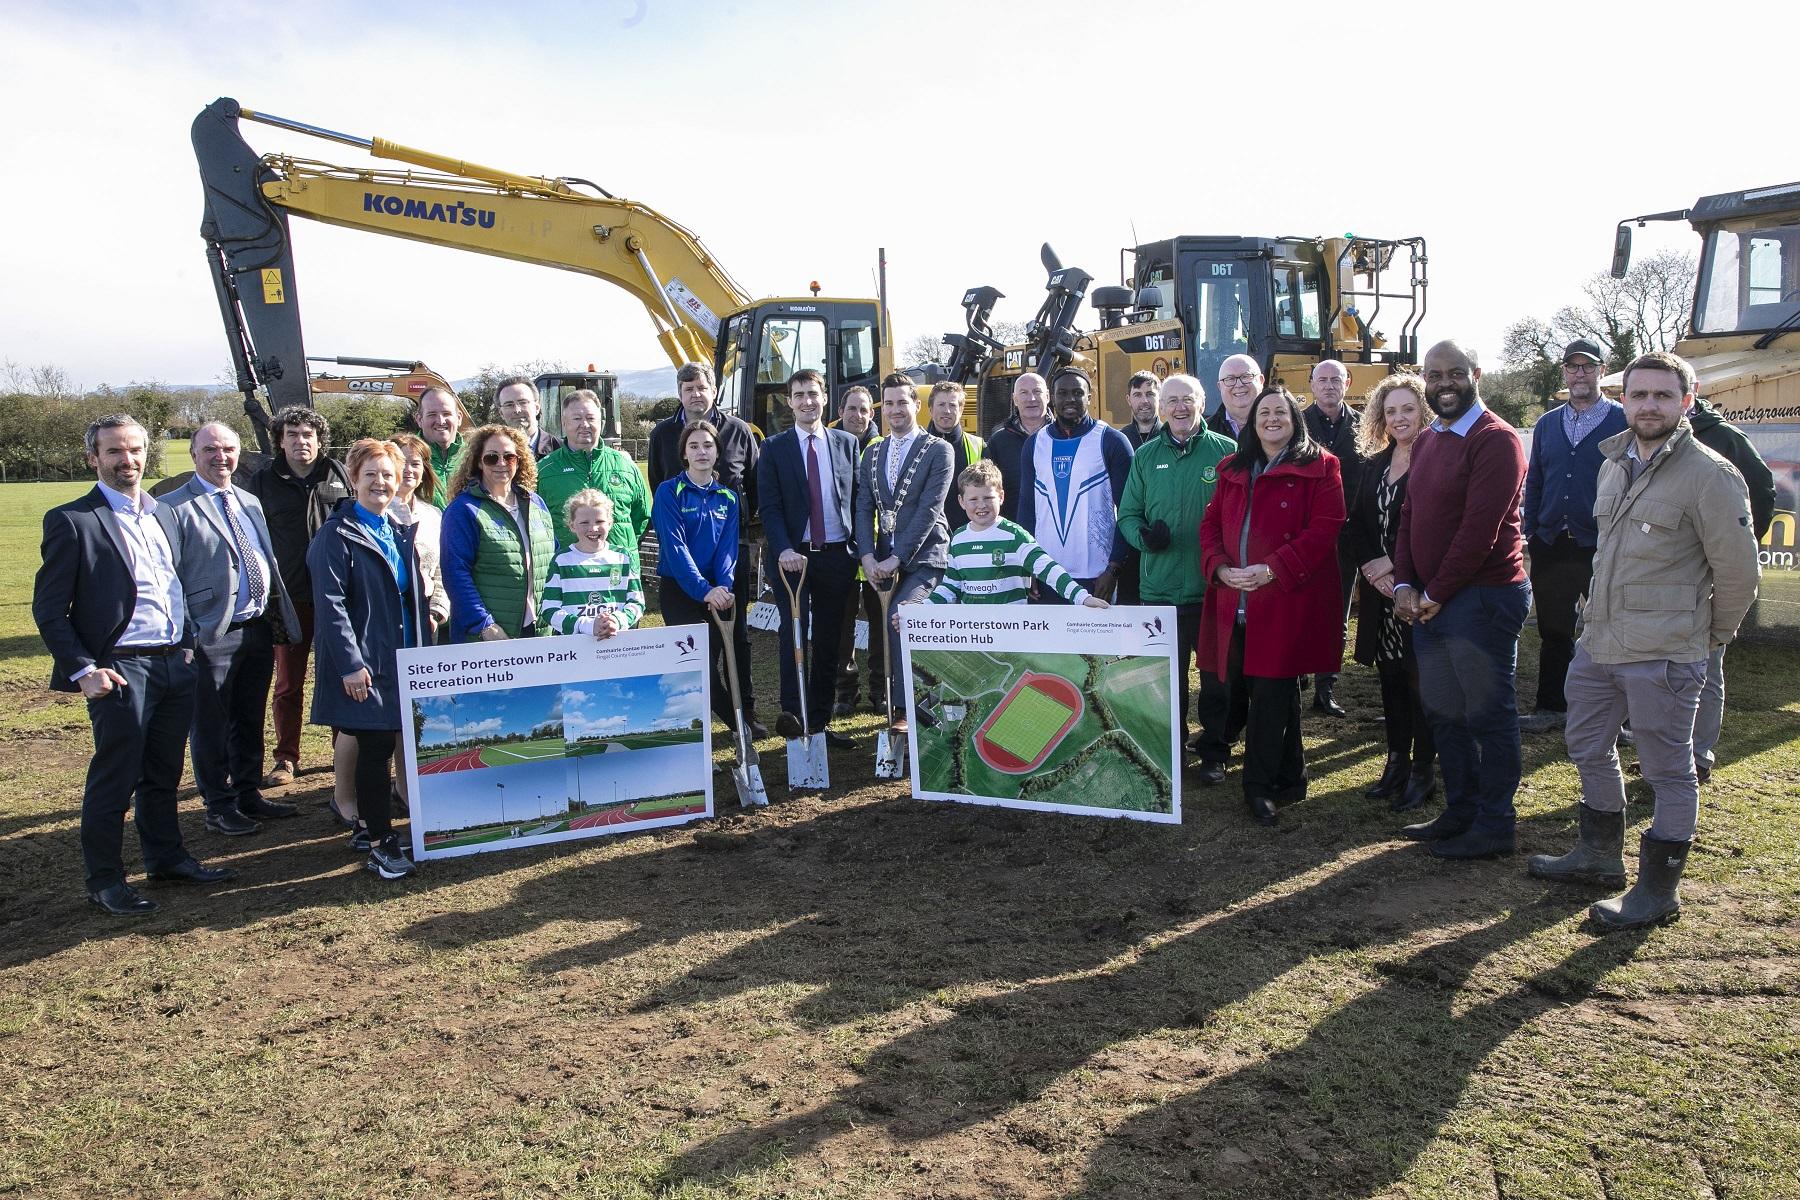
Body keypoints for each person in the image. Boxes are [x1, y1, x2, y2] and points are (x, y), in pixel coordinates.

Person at [1528, 352, 1760, 931]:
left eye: (1662, 395)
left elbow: (1739, 575)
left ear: (1687, 401)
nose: (1649, 405)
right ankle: (1599, 854)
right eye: (1640, 395)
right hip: (1600, 643)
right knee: (1584, 745)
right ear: (1624, 400)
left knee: (1668, 772)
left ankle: (1657, 891)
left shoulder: (1710, 474)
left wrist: (1707, 639)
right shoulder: (1614, 464)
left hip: (1666, 652)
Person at [33, 415, 236, 915]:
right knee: (115, 776)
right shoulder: (72, 520)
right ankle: (105, 880)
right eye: (114, 452)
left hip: (174, 662)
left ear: (148, 454)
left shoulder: (161, 513)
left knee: (163, 773)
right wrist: (84, 669)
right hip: (120, 670)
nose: (127, 461)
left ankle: (166, 858)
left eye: (135, 450)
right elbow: (49, 608)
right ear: (93, 458)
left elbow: (171, 584)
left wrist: (187, 646)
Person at [1392, 340, 1530, 859]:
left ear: (1474, 373)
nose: (1443, 384)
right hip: (1431, 601)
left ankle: (1495, 824)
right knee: (1445, 712)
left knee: (1488, 714)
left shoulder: (1496, 440)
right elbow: (1409, 516)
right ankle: (1461, 811)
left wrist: (1433, 593)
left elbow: (1480, 533)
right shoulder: (1430, 438)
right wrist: (1406, 584)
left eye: (1453, 374)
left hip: (1482, 599)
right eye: (1434, 375)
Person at [1199, 386, 1347, 825]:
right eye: (1264, 412)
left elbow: (1325, 529)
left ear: (1294, 418)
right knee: (1264, 690)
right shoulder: (1231, 468)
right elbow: (1209, 526)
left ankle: (1258, 787)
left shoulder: (1322, 467)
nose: (1271, 419)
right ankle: (1291, 776)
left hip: (1283, 598)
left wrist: (1273, 569)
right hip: (1235, 600)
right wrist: (1220, 568)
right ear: (1253, 421)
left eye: (1280, 412)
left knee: (1271, 693)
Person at [167, 422, 301, 837]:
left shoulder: (247, 500)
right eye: (210, 449)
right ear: (193, 454)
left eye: (228, 448)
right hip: (210, 633)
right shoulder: (172, 507)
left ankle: (247, 793)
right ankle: (217, 803)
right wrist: (187, 632)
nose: (220, 456)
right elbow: (169, 576)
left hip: (256, 625)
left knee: (248, 715)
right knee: (210, 722)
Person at [308, 438, 426, 879]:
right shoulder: (336, 535)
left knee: (391, 747)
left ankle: (368, 827)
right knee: (375, 751)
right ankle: (381, 844)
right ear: (353, 479)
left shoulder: (394, 530)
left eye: (389, 475)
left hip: (402, 659)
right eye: (371, 474)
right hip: (367, 664)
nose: (381, 482)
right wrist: (351, 664)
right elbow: (330, 604)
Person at [1115, 373, 1236, 772]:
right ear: (1162, 407)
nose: (1180, 407)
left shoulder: (1227, 453)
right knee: (1168, 681)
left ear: (1202, 403)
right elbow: (1128, 515)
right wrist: (1144, 538)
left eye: (1188, 399)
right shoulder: (1146, 457)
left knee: (1216, 679)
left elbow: (1240, 518)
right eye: (1172, 400)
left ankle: (1215, 752)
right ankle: (1172, 749)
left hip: (1212, 587)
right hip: (1160, 590)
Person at [1518, 338, 1628, 734]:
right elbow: (1537, 479)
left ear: (1602, 369)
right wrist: (1532, 529)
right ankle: (1552, 707)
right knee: (1554, 629)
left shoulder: (1623, 420)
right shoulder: (1548, 423)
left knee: (1613, 631)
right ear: (1564, 371)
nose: (1580, 373)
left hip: (1602, 543)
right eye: (1573, 366)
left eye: (1588, 366)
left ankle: (1619, 720)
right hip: (1551, 543)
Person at [244, 404, 352, 787]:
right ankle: (286, 758)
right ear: (280, 440)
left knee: (341, 676)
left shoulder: (338, 476)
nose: (301, 441)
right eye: (292, 435)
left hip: (335, 595)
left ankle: (343, 753)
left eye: (308, 435)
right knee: (289, 682)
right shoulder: (262, 481)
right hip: (286, 598)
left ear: (319, 440)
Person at [648, 361, 760, 727]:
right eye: (693, 446)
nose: (701, 452)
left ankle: (746, 714)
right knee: (693, 660)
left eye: (707, 446)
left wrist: (722, 585)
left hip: (722, 582)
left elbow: (731, 539)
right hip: (682, 583)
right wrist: (702, 589)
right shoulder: (669, 489)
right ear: (684, 452)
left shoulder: (728, 492)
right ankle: (729, 721)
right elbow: (675, 545)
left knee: (730, 646)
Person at [1346, 375, 1436, 811]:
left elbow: (1433, 530)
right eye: (1391, 411)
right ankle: (1396, 761)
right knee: (1391, 679)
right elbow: (1357, 524)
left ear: (1423, 411)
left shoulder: (1435, 460)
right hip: (1379, 594)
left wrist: (1398, 571)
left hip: (1419, 592)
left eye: (1408, 409)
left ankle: (1424, 770)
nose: (1399, 418)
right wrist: (1371, 565)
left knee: (1421, 683)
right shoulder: (1374, 465)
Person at [757, 369, 859, 746]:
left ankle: (818, 723)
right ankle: (793, 717)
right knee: (794, 634)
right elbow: (769, 505)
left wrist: (859, 550)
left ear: (824, 397)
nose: (806, 401)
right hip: (792, 559)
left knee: (831, 641)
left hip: (836, 556)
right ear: (790, 401)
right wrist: (784, 548)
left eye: (812, 394)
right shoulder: (774, 447)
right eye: (798, 395)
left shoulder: (848, 443)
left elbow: (856, 500)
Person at [855, 372, 953, 731]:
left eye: (903, 402)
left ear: (917, 405)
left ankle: (906, 710)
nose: (896, 410)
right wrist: (866, 555)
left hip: (925, 555)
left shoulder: (939, 449)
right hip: (882, 557)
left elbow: (930, 508)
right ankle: (907, 702)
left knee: (902, 618)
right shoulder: (873, 451)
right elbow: (863, 505)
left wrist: (897, 557)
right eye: (890, 403)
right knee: (882, 628)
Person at [1687, 393, 1776, 782]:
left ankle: (1699, 755)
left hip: (1709, 572)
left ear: (1689, 393)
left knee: (1707, 664)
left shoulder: (1725, 438)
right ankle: (1671, 752)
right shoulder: (1644, 434)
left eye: (1665, 392)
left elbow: (1763, 489)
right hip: (1665, 575)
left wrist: (1738, 544)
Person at [1016, 368, 1134, 600]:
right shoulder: (1034, 444)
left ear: (1089, 397)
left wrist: (1114, 568)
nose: (1070, 399)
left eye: (1077, 393)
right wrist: (1027, 565)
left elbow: (1129, 512)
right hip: (1047, 573)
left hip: (1096, 575)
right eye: (1062, 393)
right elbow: (1027, 509)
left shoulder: (1112, 441)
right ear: (1052, 397)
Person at [928, 460, 1108, 608]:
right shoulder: (958, 539)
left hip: (1012, 631)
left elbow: (1048, 569)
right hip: (975, 634)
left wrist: (1081, 597)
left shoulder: (1015, 536)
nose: (981, 505)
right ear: (961, 501)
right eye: (973, 499)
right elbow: (951, 586)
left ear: (1001, 497)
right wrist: (921, 610)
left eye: (988, 498)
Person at [441, 424, 555, 642]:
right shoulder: (464, 510)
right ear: (478, 462)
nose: (501, 463)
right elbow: (455, 574)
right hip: (488, 636)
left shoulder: (535, 503)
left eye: (509, 457)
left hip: (538, 630)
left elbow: (552, 558)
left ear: (519, 460)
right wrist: (484, 624)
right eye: (491, 458)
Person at [1301, 360, 1365, 718]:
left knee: (1336, 616)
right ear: (1311, 384)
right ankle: (1296, 677)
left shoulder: (1364, 425)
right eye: (1321, 380)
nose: (1328, 386)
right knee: (1300, 610)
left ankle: (1326, 687)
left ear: (1347, 383)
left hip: (1347, 537)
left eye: (1335, 380)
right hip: (1303, 536)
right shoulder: (1298, 424)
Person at [535, 388, 651, 564]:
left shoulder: (625, 466)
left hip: (619, 573)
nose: (584, 424)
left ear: (601, 422)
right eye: (576, 419)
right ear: (564, 423)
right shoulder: (544, 471)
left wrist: (622, 546)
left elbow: (641, 517)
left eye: (590, 418)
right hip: (567, 574)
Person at [830, 385, 883, 716]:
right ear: (840, 411)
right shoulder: (827, 445)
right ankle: (845, 692)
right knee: (841, 625)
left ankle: (881, 689)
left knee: (880, 625)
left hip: (877, 550)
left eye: (863, 410)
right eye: (852, 409)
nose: (857, 415)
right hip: (840, 550)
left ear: (871, 414)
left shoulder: (882, 447)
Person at [542, 491, 645, 638]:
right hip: (573, 647)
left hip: (616, 642)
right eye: (584, 523)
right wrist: (586, 625)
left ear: (610, 523)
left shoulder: (623, 558)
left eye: (599, 521)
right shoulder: (562, 560)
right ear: (571, 525)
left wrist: (616, 621)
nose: (593, 528)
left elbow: (637, 602)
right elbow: (549, 609)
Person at [389, 433, 451, 639]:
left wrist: (436, 611)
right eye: (401, 462)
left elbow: (442, 568)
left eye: (415, 463)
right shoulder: (375, 513)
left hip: (426, 621)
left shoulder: (433, 515)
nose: (408, 470)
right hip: (386, 620)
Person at [982, 372, 1049, 521]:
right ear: (1015, 399)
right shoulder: (998, 442)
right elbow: (986, 489)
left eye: (1037, 391)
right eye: (1023, 393)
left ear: (1048, 396)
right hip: (1014, 533)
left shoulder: (1064, 438)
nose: (1031, 398)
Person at [924, 381, 985, 532]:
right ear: (931, 409)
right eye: (941, 405)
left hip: (968, 536)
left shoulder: (979, 446)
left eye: (952, 405)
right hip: (927, 537)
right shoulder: (917, 447)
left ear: (961, 409)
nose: (947, 411)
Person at [413, 387, 469, 504]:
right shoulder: (403, 457)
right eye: (432, 414)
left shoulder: (476, 456)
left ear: (459, 418)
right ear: (419, 419)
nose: (440, 421)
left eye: (446, 414)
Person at [494, 375, 561, 459]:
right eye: (509, 405)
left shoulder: (561, 450)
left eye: (523, 402)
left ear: (537, 408)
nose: (517, 410)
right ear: (501, 413)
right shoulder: (491, 454)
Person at [1209, 354, 1262, 439]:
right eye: (1230, 379)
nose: (1239, 384)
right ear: (1220, 387)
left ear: (1261, 380)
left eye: (1245, 376)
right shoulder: (1205, 434)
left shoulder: (1280, 426)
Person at [1121, 369, 1162, 451]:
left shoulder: (1172, 437)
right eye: (1137, 395)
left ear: (1160, 398)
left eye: (1150, 394)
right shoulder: (1119, 440)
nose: (1144, 401)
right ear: (1129, 400)